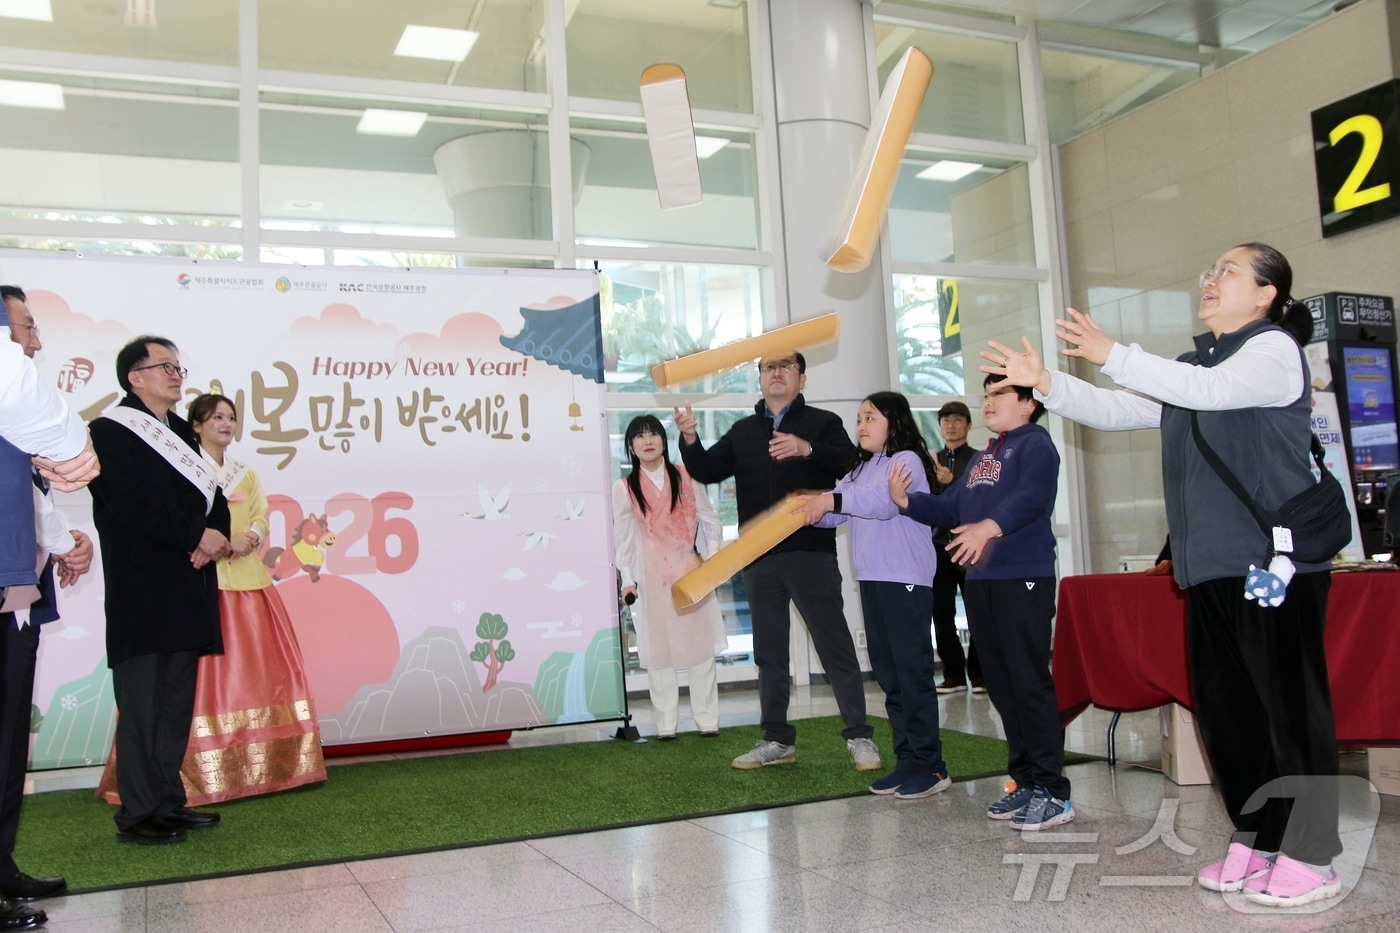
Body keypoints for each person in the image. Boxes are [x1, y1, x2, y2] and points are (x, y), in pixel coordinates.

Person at [984, 242, 1343, 905]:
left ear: (1266, 294)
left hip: (1275, 568)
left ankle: (1313, 854)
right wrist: (1048, 384)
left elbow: (1208, 393)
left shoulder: (1271, 353)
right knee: (1229, 715)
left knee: (1290, 711)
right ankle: (1261, 836)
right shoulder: (1192, 367)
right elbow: (1124, 410)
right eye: (1210, 269)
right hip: (1206, 571)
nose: (1211, 277)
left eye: (1229, 271)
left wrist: (1113, 352)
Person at [96, 393, 327, 805]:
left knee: (189, 693)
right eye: (215, 416)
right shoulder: (120, 435)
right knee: (152, 700)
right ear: (197, 426)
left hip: (236, 580)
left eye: (231, 417)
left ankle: (173, 798)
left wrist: (238, 538)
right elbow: (136, 507)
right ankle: (147, 805)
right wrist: (199, 541)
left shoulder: (240, 471)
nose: (225, 423)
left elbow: (248, 512)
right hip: (185, 586)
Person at [674, 351, 880, 772]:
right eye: (769, 367)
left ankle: (860, 736)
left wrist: (806, 449)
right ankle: (776, 739)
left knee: (834, 644)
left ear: (802, 378)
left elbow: (846, 462)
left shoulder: (822, 423)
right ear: (760, 379)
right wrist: (690, 438)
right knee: (769, 652)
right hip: (758, 556)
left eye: (786, 367)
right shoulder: (744, 431)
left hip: (810, 550)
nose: (777, 373)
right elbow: (708, 469)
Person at [889, 373, 1073, 830]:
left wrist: (989, 527)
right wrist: (908, 501)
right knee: (1003, 684)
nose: (987, 403)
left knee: (1028, 682)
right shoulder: (987, 454)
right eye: (985, 395)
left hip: (1022, 577)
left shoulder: (1035, 445)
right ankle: (1026, 782)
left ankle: (1053, 790)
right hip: (983, 580)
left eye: (998, 395)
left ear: (1028, 403)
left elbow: (1032, 498)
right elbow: (952, 508)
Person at [89, 337, 230, 845]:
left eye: (178, 365)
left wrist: (209, 539)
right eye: (164, 366)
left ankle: (167, 801)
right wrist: (196, 534)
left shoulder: (181, 435)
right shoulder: (109, 431)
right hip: (142, 589)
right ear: (135, 376)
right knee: (143, 704)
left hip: (188, 583)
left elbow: (213, 498)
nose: (176, 373)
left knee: (175, 703)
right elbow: (128, 503)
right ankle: (138, 812)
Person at [798, 391, 949, 798]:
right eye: (859, 418)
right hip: (873, 579)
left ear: (893, 422)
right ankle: (908, 762)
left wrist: (831, 498)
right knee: (889, 673)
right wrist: (811, 508)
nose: (861, 426)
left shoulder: (908, 461)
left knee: (911, 673)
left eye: (870, 418)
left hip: (905, 580)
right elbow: (840, 512)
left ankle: (931, 766)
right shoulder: (861, 467)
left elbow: (883, 504)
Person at [0, 288, 94, 930]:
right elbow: (64, 446)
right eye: (23, 328)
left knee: (8, 740)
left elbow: (28, 490)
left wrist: (62, 543)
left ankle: (0, 867)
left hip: (17, 593)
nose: (32, 342)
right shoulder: (16, 392)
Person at [612, 415, 727, 739]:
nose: (647, 440)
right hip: (652, 578)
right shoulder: (624, 489)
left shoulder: (687, 476)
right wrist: (628, 579)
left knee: (700, 647)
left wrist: (714, 557)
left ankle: (708, 721)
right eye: (639, 436)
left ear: (664, 440)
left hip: (691, 574)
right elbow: (622, 539)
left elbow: (709, 519)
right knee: (659, 649)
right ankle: (666, 725)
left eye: (653, 434)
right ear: (631, 447)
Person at [929, 399, 984, 694]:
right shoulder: (931, 460)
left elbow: (978, 500)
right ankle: (953, 674)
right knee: (941, 612)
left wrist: (952, 482)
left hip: (971, 544)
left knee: (977, 611)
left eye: (957, 420)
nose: (951, 425)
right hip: (939, 546)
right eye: (946, 421)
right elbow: (927, 504)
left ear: (968, 424)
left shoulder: (979, 459)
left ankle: (979, 673)